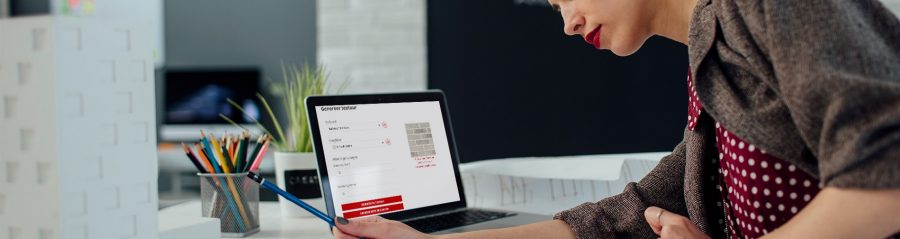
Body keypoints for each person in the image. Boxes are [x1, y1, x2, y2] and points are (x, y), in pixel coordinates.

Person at [331, 0, 900, 238]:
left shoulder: (769, 8)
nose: (569, 24)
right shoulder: (710, 61)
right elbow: (613, 222)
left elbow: (888, 171)